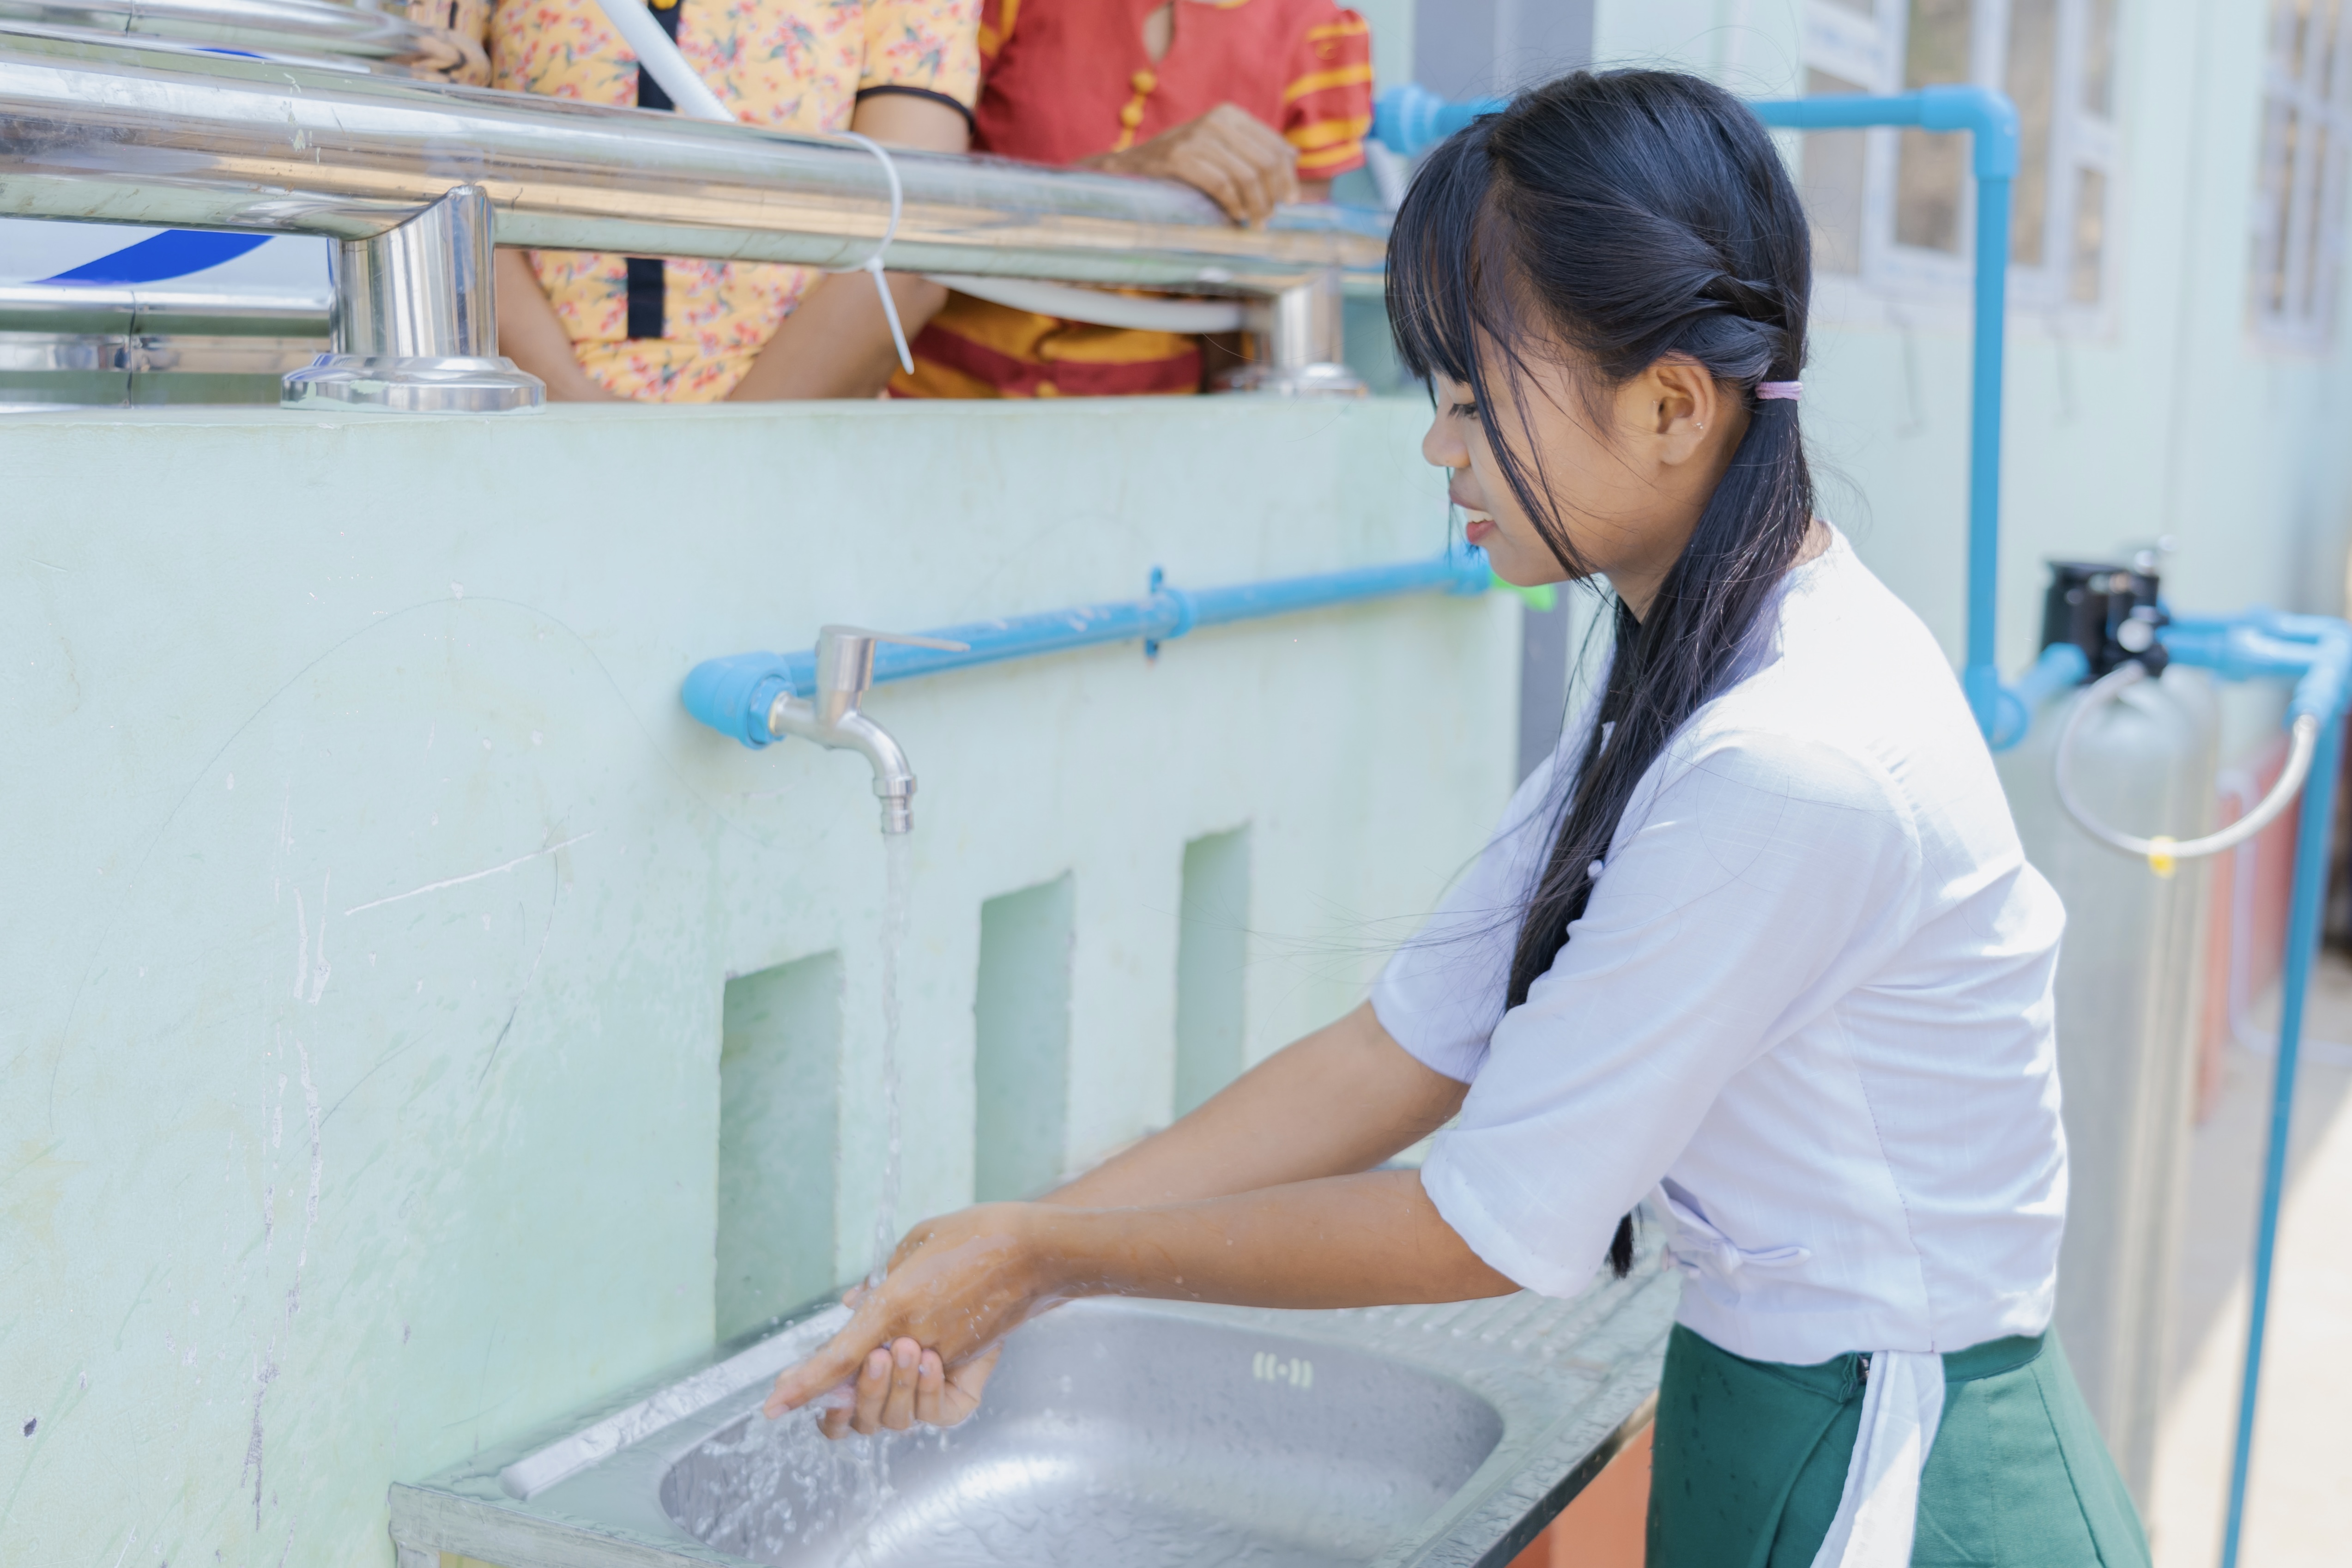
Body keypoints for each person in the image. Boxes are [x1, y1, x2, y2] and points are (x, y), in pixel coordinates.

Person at [762, 70, 2152, 1568]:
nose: (1439, 448)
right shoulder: (1693, 653)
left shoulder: (1789, 756)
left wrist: (1049, 1258)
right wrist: (1017, 1249)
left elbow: (1488, 1227)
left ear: (1670, 406)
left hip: (1899, 1475)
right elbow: (1405, 1046)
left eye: (1477, 400)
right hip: (1778, 1407)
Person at [474, 0, 980, 401]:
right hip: (524, 421)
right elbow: (445, 180)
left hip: (800, 433)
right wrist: (567, 405)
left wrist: (732, 457)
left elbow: (907, 232)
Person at [891, 0, 1373, 398]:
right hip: (925, 403)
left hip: (1150, 436)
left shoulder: (1316, 37)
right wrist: (1117, 182)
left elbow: (1273, 304)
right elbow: (908, 205)